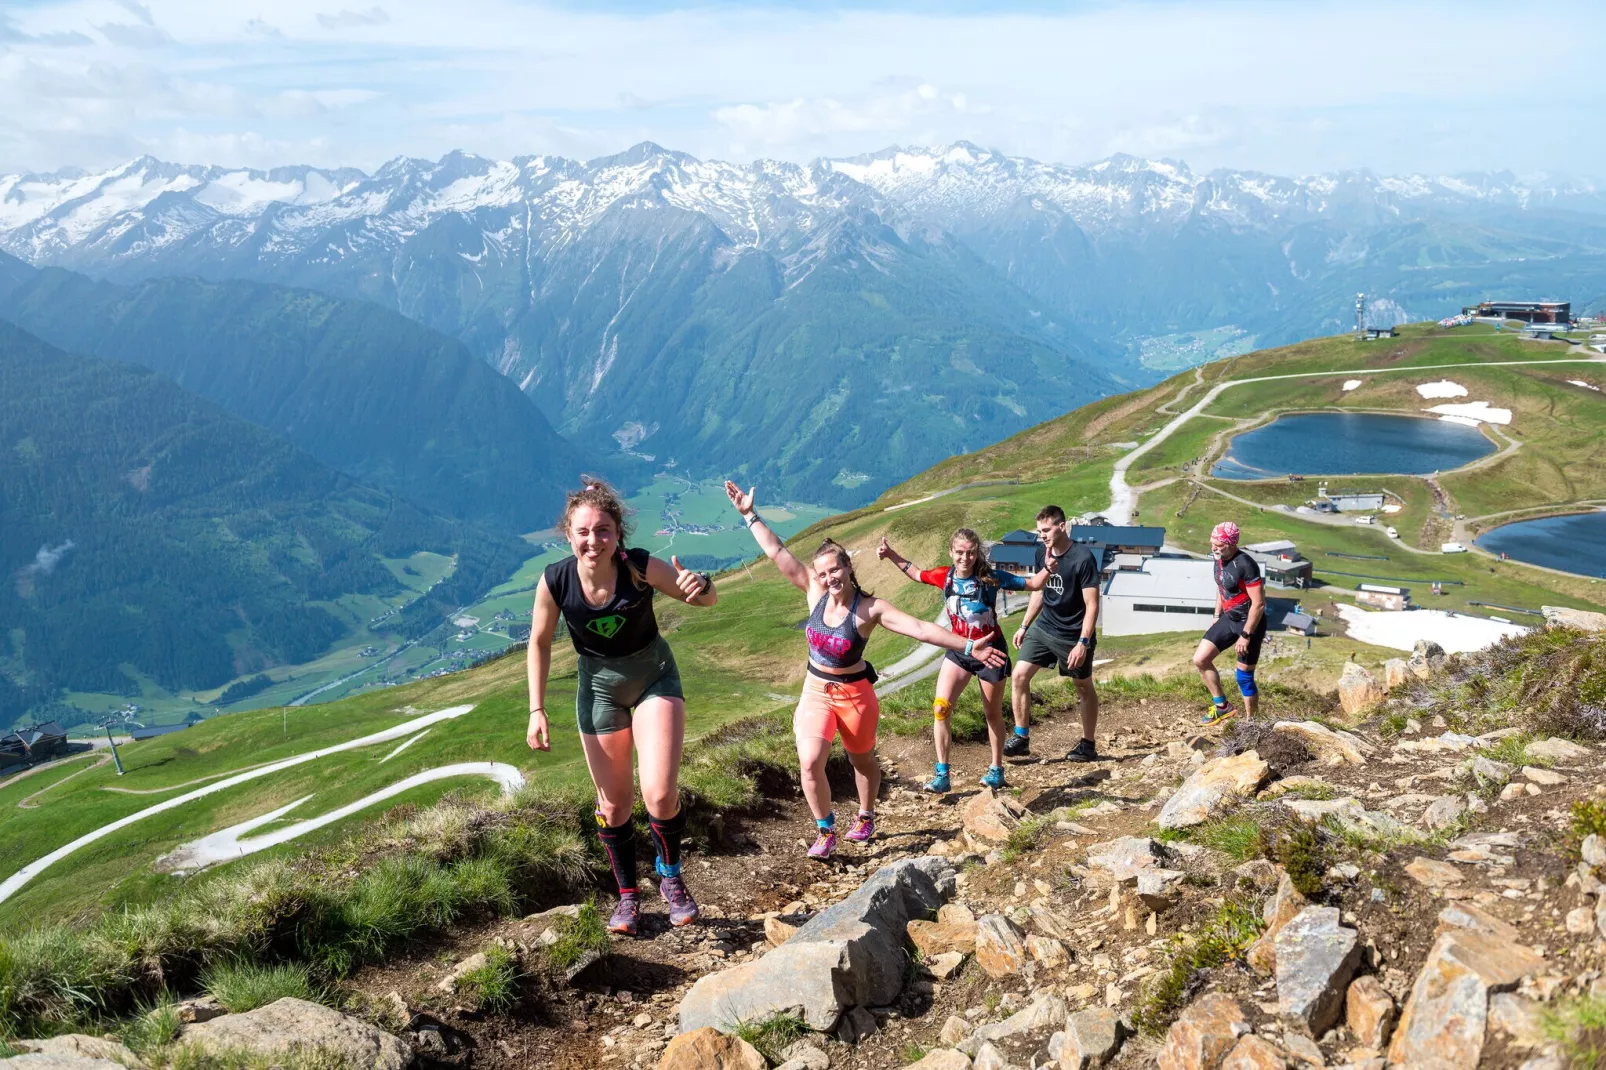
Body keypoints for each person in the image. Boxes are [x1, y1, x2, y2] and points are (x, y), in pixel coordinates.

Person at [726, 481, 1007, 860]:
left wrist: (969, 645)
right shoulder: (813, 591)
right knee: (809, 761)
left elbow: (921, 628)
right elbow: (777, 551)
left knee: (862, 761)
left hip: (856, 694)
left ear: (848, 567)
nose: (828, 579)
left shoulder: (871, 608)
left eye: (834, 570)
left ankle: (866, 813)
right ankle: (826, 830)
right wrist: (749, 515)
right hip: (815, 690)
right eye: (822, 573)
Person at [526, 479, 719, 937]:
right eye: (584, 531)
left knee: (659, 793)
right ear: (568, 535)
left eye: (604, 530)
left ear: (618, 533)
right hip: (599, 691)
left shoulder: (637, 566)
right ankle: (628, 897)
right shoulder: (555, 580)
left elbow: (706, 599)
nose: (594, 540)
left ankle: (670, 878)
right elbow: (538, 643)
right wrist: (536, 709)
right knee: (613, 805)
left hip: (654, 678)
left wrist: (700, 585)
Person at [877, 528, 1055, 792]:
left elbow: (1032, 585)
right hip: (961, 651)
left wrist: (1049, 568)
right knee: (940, 708)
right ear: (951, 552)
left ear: (977, 553)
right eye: (960, 552)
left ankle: (996, 770)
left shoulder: (990, 578)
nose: (965, 558)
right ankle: (942, 774)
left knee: (992, 713)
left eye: (971, 552)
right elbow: (916, 573)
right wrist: (891, 554)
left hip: (991, 654)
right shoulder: (944, 576)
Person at [1008, 505, 1102, 762]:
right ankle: (1022, 737)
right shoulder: (1043, 553)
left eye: (1047, 530)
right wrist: (1025, 625)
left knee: (1082, 686)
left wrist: (1082, 643)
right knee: (1019, 676)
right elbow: (1039, 590)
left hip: (1073, 634)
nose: (1043, 536)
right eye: (1040, 531)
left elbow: (1092, 604)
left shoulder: (1083, 558)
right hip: (1045, 626)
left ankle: (1088, 744)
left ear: (1062, 527)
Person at [1192, 520, 1267, 726]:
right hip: (1228, 618)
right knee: (1200, 659)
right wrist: (1216, 616)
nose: (1213, 548)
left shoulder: (1246, 564)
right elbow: (1222, 586)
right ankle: (1222, 707)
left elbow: (1259, 604)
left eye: (1219, 544)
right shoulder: (1218, 559)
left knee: (1243, 677)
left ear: (1232, 544)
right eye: (1212, 543)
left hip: (1250, 623)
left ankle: (1253, 725)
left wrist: (1246, 635)